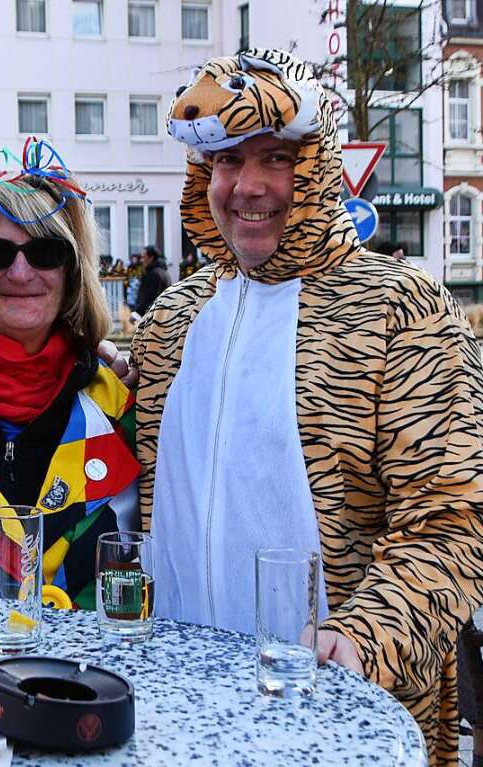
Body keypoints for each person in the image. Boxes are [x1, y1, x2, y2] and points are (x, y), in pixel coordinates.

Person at [135, 48, 483, 766]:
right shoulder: (170, 321)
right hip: (182, 707)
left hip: (344, 714)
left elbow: (453, 521)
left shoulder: (401, 308)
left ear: (317, 168)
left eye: (275, 158)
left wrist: (360, 638)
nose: (248, 186)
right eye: (228, 162)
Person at [0, 140, 140, 610]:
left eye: (45, 252)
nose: (19, 272)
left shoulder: (120, 406)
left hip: (94, 677)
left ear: (71, 270)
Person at [132, 245, 170, 317]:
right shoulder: (163, 272)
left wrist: (137, 312)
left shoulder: (154, 274)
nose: (141, 260)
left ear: (151, 257)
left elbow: (149, 297)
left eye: (143, 257)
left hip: (153, 317)